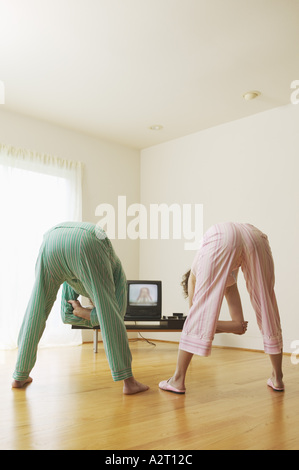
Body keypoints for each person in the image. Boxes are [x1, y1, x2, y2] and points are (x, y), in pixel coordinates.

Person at [12, 221, 149, 395]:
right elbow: (113, 318)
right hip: (87, 241)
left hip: (52, 240)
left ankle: (20, 375)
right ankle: (129, 383)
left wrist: (83, 312)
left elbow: (67, 315)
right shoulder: (117, 277)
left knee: (36, 307)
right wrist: (91, 315)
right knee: (110, 315)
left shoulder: (75, 277)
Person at [159, 222, 284, 395]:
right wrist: (209, 325)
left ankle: (177, 380)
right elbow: (239, 326)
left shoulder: (195, 276)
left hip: (222, 236)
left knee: (197, 317)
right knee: (266, 303)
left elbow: (194, 322)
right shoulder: (229, 279)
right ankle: (277, 377)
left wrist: (207, 324)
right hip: (255, 236)